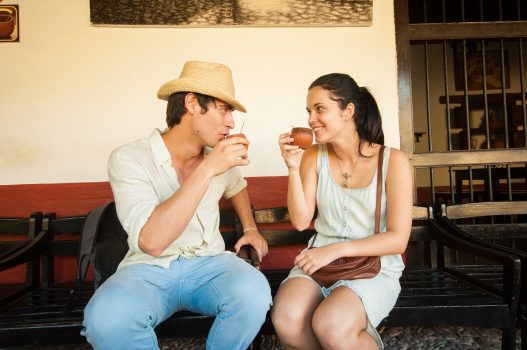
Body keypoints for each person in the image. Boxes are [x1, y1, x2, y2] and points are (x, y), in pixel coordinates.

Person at [81, 60, 272, 350]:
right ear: (193, 103)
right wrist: (208, 168)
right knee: (106, 320)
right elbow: (152, 242)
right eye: (224, 109)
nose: (231, 122)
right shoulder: (129, 159)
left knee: (254, 292)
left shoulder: (218, 155)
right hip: (147, 269)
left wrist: (250, 228)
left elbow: (237, 187)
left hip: (209, 263)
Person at [273, 73, 413, 349]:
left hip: (373, 269)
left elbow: (398, 239)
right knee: (286, 320)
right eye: (309, 111)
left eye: (320, 109)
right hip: (319, 262)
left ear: (348, 111)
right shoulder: (314, 155)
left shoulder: (392, 161)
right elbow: (301, 221)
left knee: (331, 324)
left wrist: (334, 250)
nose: (312, 119)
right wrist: (291, 167)